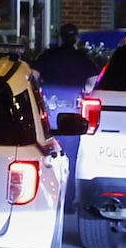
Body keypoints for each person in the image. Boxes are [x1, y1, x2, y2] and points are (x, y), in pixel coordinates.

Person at [32, 24, 99, 210]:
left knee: (46, 156)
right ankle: (67, 202)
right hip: (72, 118)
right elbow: (92, 84)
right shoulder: (84, 59)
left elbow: (33, 77)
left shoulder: (48, 56)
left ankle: (44, 199)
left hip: (48, 117)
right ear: (76, 39)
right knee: (69, 159)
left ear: (59, 38)